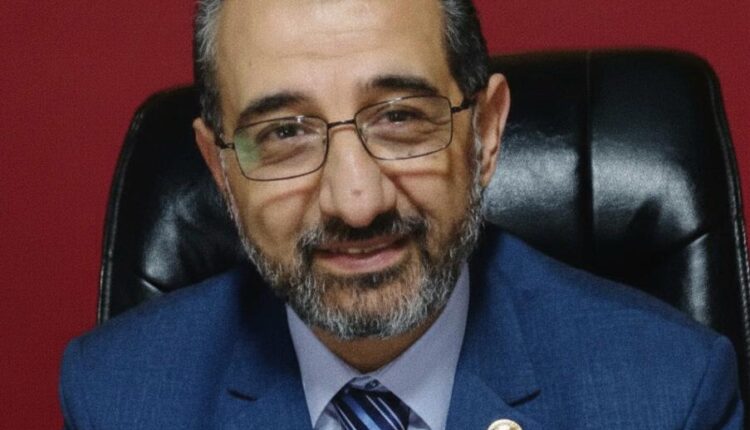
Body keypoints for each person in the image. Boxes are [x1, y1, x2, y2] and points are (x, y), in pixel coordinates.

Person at [59, 0, 743, 428]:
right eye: (285, 132)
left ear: (486, 133)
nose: (357, 203)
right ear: (220, 169)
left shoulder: (668, 394)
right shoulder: (117, 400)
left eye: (400, 119)